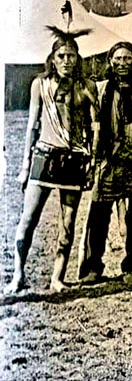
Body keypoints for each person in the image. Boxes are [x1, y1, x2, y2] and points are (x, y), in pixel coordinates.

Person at [5, 27, 98, 293]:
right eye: (62, 56)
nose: (67, 61)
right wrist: (25, 166)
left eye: (72, 56)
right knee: (28, 219)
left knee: (67, 225)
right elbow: (31, 126)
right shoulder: (40, 85)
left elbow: (94, 126)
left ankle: (57, 278)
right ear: (53, 59)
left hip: (74, 160)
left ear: (78, 58)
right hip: (44, 157)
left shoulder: (87, 86)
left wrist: (91, 161)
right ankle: (18, 275)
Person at [79, 42, 132, 284]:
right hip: (107, 159)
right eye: (117, 58)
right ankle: (92, 267)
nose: (122, 63)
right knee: (99, 213)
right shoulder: (100, 90)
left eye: (127, 58)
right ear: (110, 62)